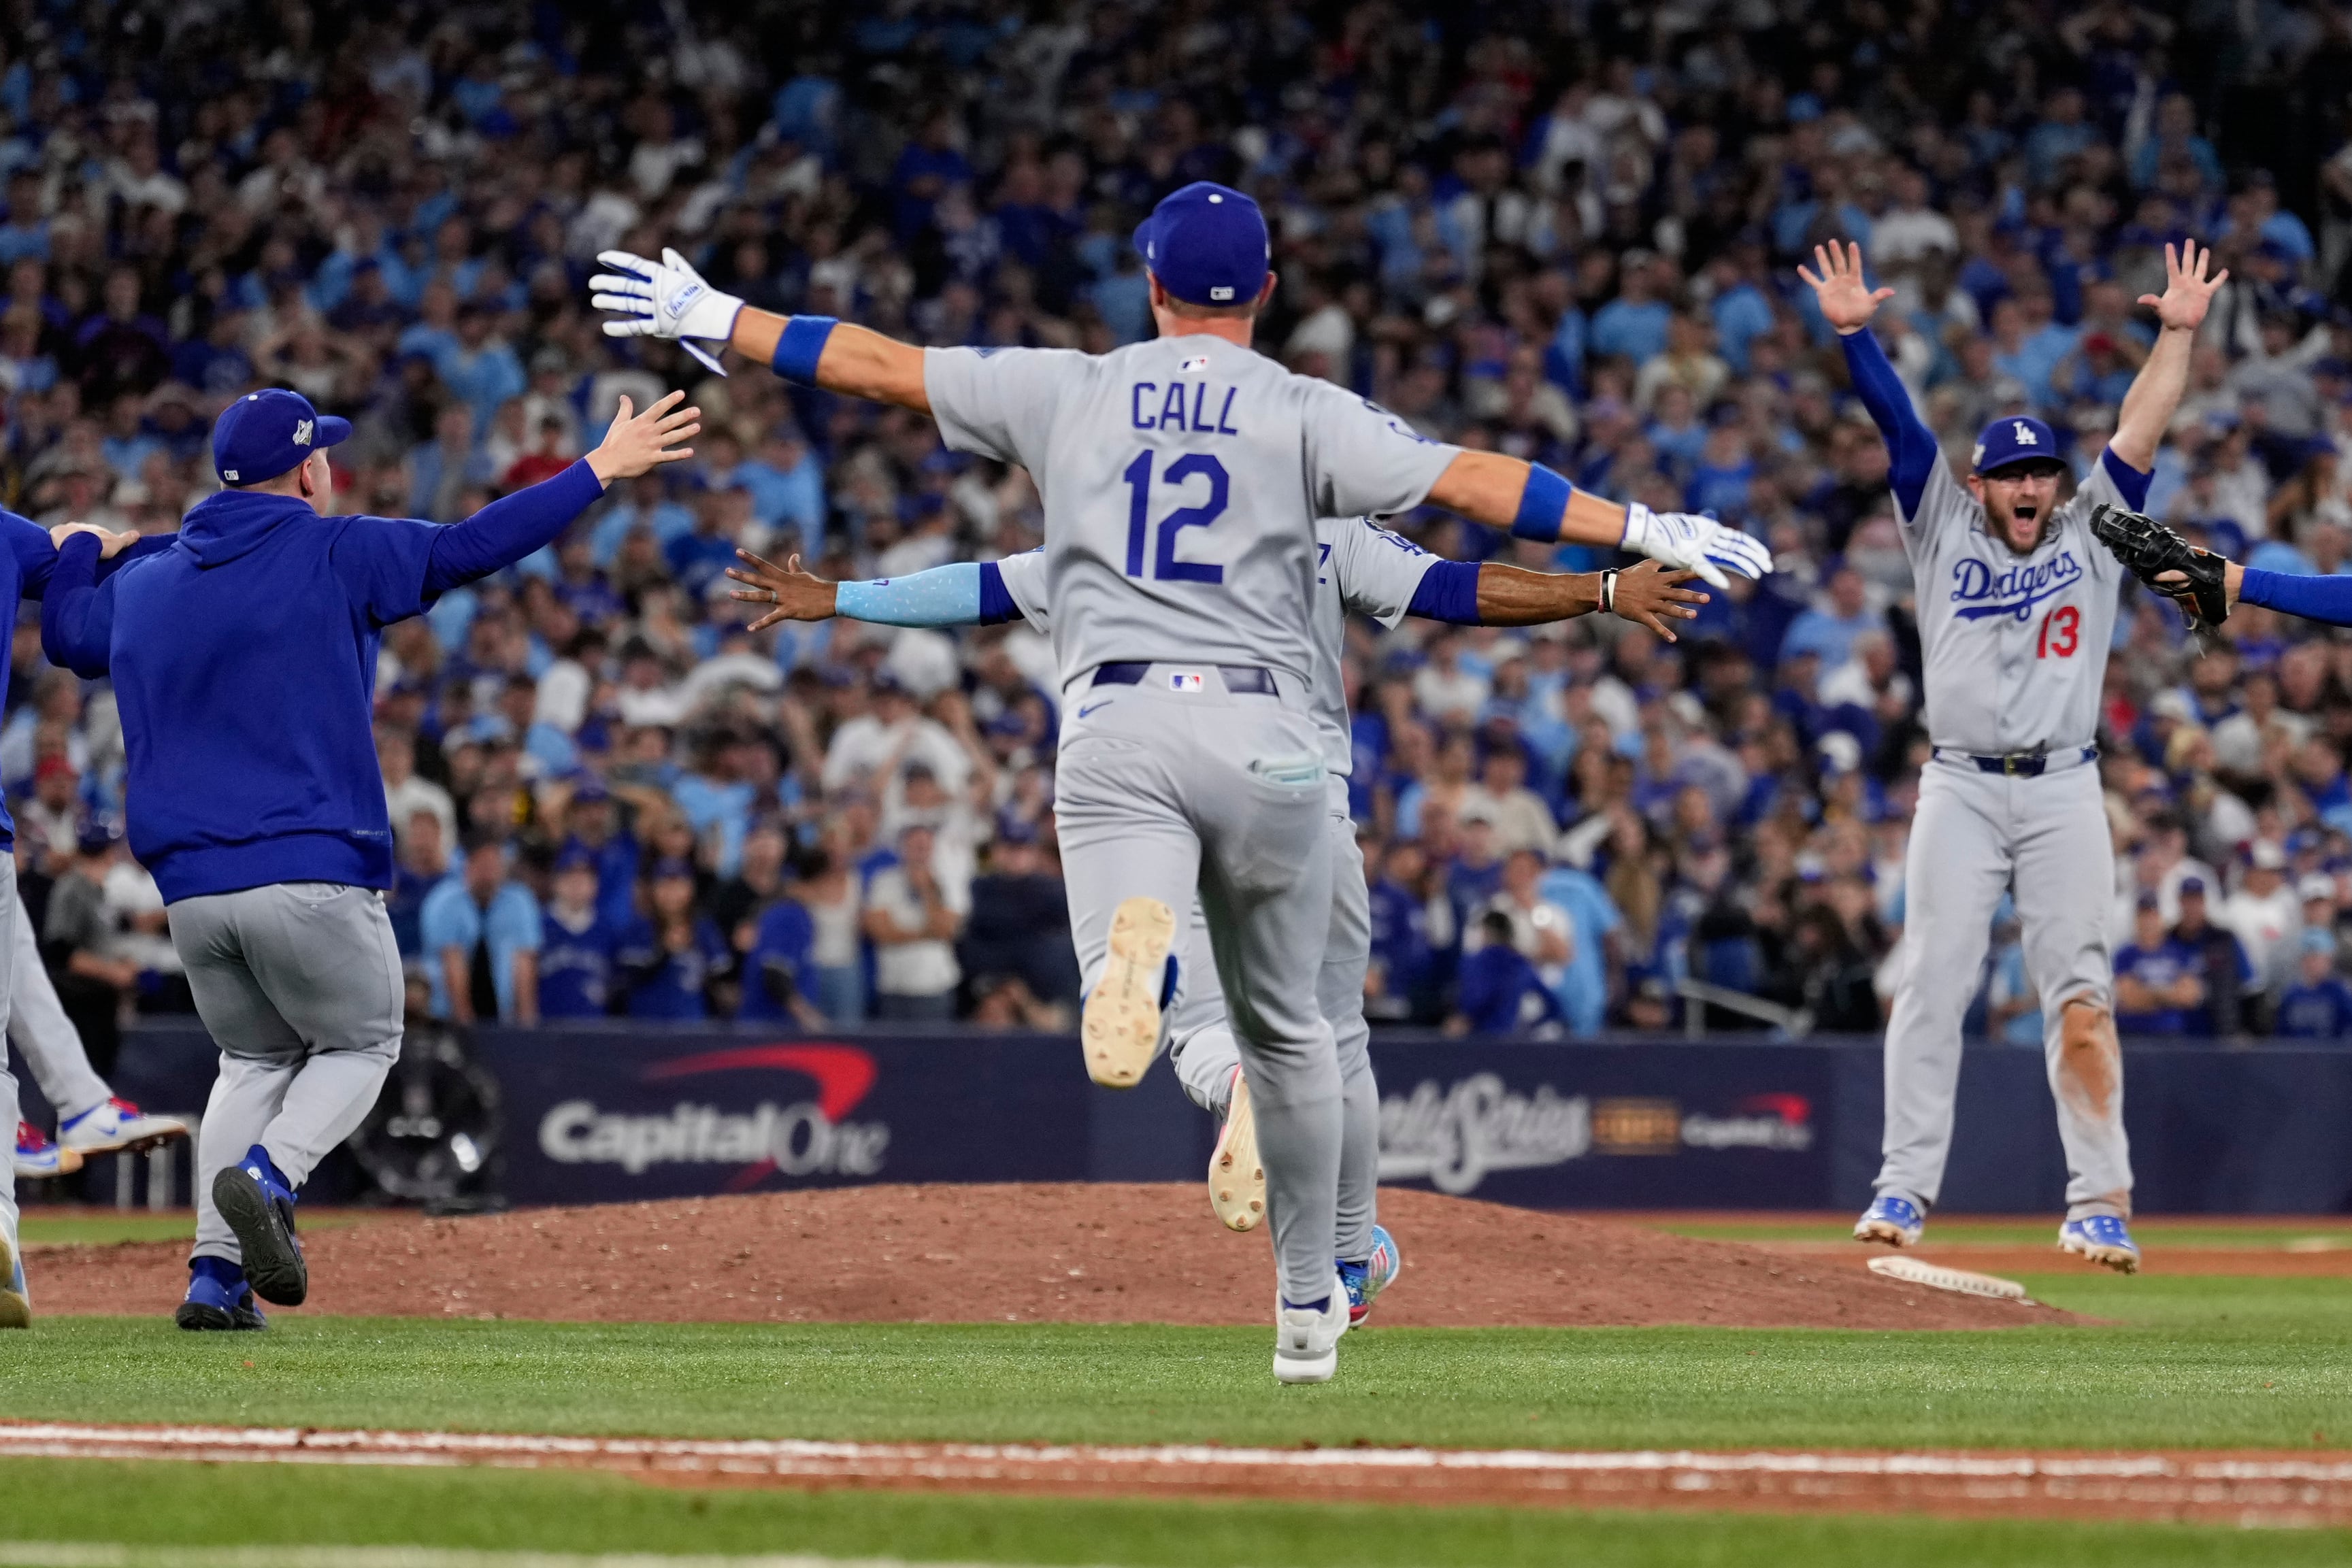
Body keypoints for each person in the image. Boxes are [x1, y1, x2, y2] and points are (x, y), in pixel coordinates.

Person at [596, 184, 1763, 1385]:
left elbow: (882, 375)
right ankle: (1317, 1294)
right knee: (1309, 1037)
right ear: (1265, 292)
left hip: (1119, 720)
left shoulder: (1075, 403)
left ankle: (1144, 989)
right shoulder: (1310, 428)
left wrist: (719, 315)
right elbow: (1472, 500)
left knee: (1162, 996)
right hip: (1278, 752)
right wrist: (1630, 535)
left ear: (1147, 285)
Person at [725, 512, 1702, 1320]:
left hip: (1135, 777)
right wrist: (1601, 591)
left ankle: (1226, 1071)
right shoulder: (1326, 525)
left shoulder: (1118, 522)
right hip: (1292, 789)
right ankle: (1347, 1259)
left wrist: (841, 596)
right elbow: (1458, 588)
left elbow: (984, 587)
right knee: (1332, 1037)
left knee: (1187, 1020)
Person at [42, 384, 697, 1330]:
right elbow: (474, 544)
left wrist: (70, 550)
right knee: (362, 1042)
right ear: (307, 469)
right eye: (325, 456)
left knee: (252, 1059)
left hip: (190, 893)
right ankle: (271, 1178)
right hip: (308, 865)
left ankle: (213, 1278)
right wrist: (596, 469)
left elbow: (67, 635)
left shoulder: (150, 578)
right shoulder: (337, 546)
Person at [1804, 237, 2226, 1274]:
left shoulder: (2094, 527)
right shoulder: (1939, 524)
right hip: (1956, 783)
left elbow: (2142, 424)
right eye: (2013, 474)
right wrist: (1856, 338)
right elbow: (1899, 428)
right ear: (1982, 485)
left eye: (2042, 469)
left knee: (2078, 993)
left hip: (2064, 785)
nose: (2032, 485)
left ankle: (2099, 1201)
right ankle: (1901, 1185)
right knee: (1933, 983)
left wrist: (2174, 335)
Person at [418, 835, 544, 1027]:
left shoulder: (520, 901)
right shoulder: (443, 901)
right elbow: (452, 961)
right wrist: (467, 1029)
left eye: (495, 863)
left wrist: (527, 1027)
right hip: (446, 1017)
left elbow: (524, 963)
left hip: (504, 1015)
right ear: (468, 864)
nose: (490, 871)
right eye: (484, 863)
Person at [862, 822, 967, 1022]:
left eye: (925, 847)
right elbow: (881, 934)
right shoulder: (883, 881)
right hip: (893, 984)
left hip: (934, 985)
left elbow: (945, 931)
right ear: (903, 849)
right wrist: (925, 934)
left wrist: (927, 891)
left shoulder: (949, 882)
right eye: (915, 847)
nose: (920, 853)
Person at [615, 858, 730, 1019]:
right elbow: (630, 979)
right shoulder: (639, 927)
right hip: (645, 1026)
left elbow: (721, 975)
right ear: (654, 889)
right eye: (665, 885)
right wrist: (665, 952)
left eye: (678, 885)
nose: (671, 893)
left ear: (690, 889)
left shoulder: (703, 928)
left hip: (692, 1025)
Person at [1447, 909, 1568, 1035]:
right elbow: (1554, 1006)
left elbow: (1471, 1002)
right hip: (1509, 1043)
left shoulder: (1472, 963)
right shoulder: (1521, 964)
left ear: (1486, 932)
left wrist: (1462, 1019)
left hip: (1473, 1041)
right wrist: (1529, 1028)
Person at [535, 848, 622, 1020]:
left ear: (595, 884)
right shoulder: (539, 926)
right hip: (547, 1033)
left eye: (584, 878)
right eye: (569, 877)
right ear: (556, 883)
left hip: (595, 1032)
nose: (577, 884)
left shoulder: (608, 930)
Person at [2113, 895, 2202, 1036]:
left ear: (2161, 919)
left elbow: (2189, 997)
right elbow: (2127, 999)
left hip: (2171, 1035)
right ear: (2136, 920)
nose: (2149, 922)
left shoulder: (2178, 952)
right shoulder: (2124, 955)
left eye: (2153, 916)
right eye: (2144, 916)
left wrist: (2145, 993)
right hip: (2132, 1034)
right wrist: (2169, 995)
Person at [2274, 929, 2352, 1041]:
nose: (2312, 964)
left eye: (2316, 958)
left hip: (2331, 1055)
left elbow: (2348, 1031)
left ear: (2329, 961)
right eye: (2307, 958)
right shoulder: (2291, 994)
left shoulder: (2340, 993)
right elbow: (2282, 1035)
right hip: (2296, 1055)